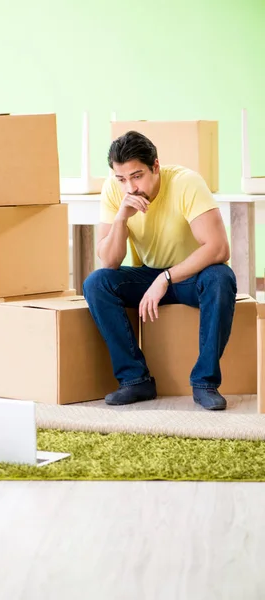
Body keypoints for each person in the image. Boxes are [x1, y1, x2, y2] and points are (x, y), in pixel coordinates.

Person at [83, 130, 237, 411]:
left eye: (137, 176)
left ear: (155, 167)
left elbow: (218, 248)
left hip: (194, 277)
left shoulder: (186, 183)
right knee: (97, 283)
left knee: (221, 276)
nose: (130, 187)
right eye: (121, 178)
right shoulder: (116, 190)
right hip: (149, 276)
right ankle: (135, 380)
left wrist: (165, 278)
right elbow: (110, 261)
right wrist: (121, 219)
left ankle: (205, 383)